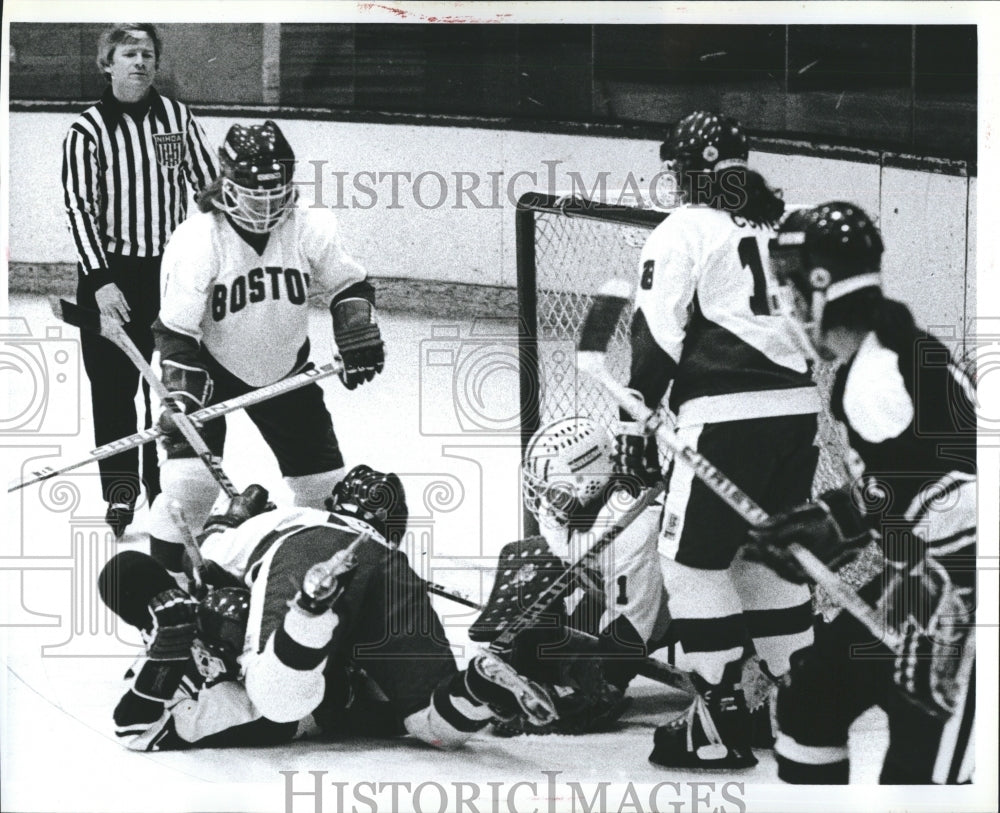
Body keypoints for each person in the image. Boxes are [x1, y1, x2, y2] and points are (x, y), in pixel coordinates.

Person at [615, 111, 821, 768]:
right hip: (798, 414)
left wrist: (635, 418)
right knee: (764, 561)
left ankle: (718, 719)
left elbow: (656, 330)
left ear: (693, 170)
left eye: (678, 170)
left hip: (726, 419)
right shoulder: (787, 224)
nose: (675, 182)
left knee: (692, 564)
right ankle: (802, 705)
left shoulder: (686, 228)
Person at [749, 201, 976, 784]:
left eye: (792, 287)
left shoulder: (881, 375)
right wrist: (836, 522)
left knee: (918, 766)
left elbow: (963, 492)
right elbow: (909, 479)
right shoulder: (883, 355)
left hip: (967, 599)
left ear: (821, 287)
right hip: (927, 579)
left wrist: (840, 526)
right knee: (813, 697)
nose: (788, 303)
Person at [99, 467, 557, 750]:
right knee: (431, 723)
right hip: (386, 571)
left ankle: (309, 614)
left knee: (277, 699)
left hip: (297, 566)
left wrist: (230, 519)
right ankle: (477, 687)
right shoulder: (374, 545)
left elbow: (202, 560)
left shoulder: (285, 520)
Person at [146, 119, 385, 572]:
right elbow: (175, 331)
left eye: (276, 194)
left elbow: (348, 284)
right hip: (211, 369)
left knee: (321, 484)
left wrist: (356, 327)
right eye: (256, 194)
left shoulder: (310, 224)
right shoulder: (197, 239)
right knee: (190, 483)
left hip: (285, 367)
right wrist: (181, 394)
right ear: (228, 184)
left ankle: (307, 565)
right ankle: (165, 577)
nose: (268, 206)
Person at [62, 23, 218, 537]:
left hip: (172, 272)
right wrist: (102, 280)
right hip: (111, 278)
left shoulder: (175, 118)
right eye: (129, 53)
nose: (140, 62)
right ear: (107, 63)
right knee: (113, 391)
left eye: (148, 53)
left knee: (175, 386)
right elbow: (80, 210)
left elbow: (206, 187)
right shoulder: (86, 130)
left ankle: (168, 493)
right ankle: (122, 495)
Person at [468, 415, 671, 735]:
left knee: (597, 663)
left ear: (587, 479)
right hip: (610, 593)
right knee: (535, 570)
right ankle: (525, 672)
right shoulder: (569, 509)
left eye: (555, 490)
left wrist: (609, 684)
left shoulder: (632, 526)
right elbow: (565, 565)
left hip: (668, 608)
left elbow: (633, 624)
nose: (544, 500)